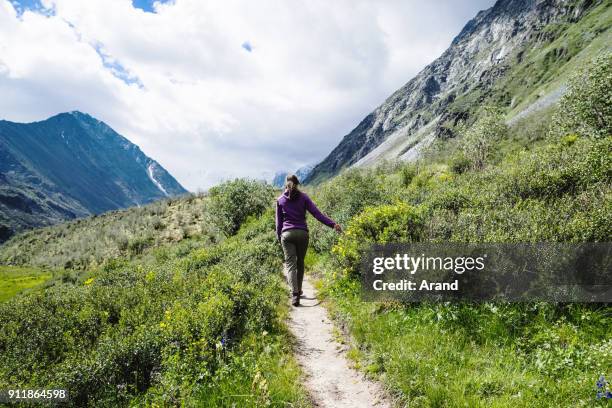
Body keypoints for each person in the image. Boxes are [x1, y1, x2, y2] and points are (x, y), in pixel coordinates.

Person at [276, 174, 341, 306]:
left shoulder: (280, 200)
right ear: (297, 184)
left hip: (287, 234)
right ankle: (299, 290)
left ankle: (294, 295)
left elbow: (278, 223)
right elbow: (317, 214)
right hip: (302, 233)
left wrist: (280, 237)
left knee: (290, 264)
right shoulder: (304, 197)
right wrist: (333, 224)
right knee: (300, 262)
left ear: (285, 184)